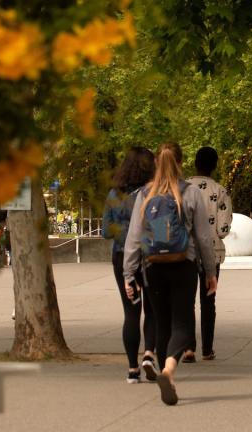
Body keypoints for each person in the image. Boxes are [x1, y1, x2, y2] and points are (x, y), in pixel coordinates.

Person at [123, 143, 218, 406]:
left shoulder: (144, 194)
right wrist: (210, 271)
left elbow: (133, 238)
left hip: (152, 267)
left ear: (156, 163)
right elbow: (202, 236)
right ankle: (168, 371)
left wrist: (129, 274)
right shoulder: (190, 193)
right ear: (180, 163)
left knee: (162, 323)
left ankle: (166, 371)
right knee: (183, 324)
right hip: (183, 264)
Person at [101, 147, 157, 384]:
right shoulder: (153, 192)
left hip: (122, 257)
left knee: (131, 311)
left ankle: (132, 368)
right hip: (150, 257)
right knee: (153, 310)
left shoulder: (114, 195)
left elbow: (105, 232)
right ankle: (149, 355)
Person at [186, 146, 231, 361]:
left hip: (184, 252)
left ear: (194, 163)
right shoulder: (220, 191)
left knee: (186, 301)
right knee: (208, 301)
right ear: (214, 165)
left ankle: (188, 348)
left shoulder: (182, 188)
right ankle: (207, 349)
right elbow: (223, 230)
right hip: (211, 252)